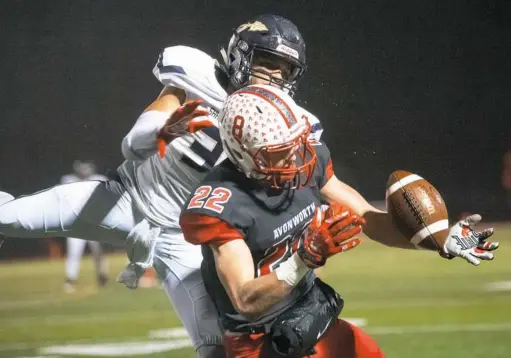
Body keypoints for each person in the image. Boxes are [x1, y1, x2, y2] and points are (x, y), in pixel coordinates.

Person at [0, 14, 322, 357]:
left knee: (216, 349)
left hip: (186, 239)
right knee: (6, 217)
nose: (275, 76)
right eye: (267, 62)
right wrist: (161, 132)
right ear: (240, 55)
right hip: (124, 198)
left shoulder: (291, 125)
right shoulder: (197, 76)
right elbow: (132, 145)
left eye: (285, 70)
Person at [180, 84, 500, 357]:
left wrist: (438, 239)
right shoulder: (223, 203)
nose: (295, 157)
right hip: (261, 340)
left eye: (297, 143)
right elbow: (245, 299)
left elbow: (369, 218)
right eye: (281, 152)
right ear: (244, 154)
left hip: (309, 312)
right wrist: (305, 258)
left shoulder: (308, 163)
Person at [62, 160, 109, 293]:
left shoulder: (99, 180)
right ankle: (70, 279)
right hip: (76, 223)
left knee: (98, 252)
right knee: (74, 252)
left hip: (93, 222)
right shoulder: (68, 180)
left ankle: (102, 276)